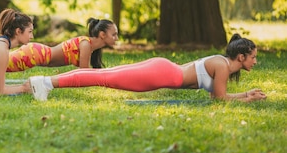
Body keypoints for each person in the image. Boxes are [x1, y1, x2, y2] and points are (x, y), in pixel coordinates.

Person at [28, 34, 267, 102]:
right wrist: (247, 97)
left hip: (162, 69)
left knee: (102, 75)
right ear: (241, 56)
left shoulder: (222, 63)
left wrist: (245, 94)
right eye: (253, 57)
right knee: (101, 78)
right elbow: (220, 99)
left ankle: (44, 82)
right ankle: (45, 83)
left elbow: (217, 94)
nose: (255, 62)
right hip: (162, 73)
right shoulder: (223, 66)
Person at [6, 18, 118, 72]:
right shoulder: (86, 45)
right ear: (102, 34)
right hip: (37, 54)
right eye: (114, 35)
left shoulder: (90, 46)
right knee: (2, 64)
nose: (116, 38)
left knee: (2, 63)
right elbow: (84, 73)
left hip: (38, 54)